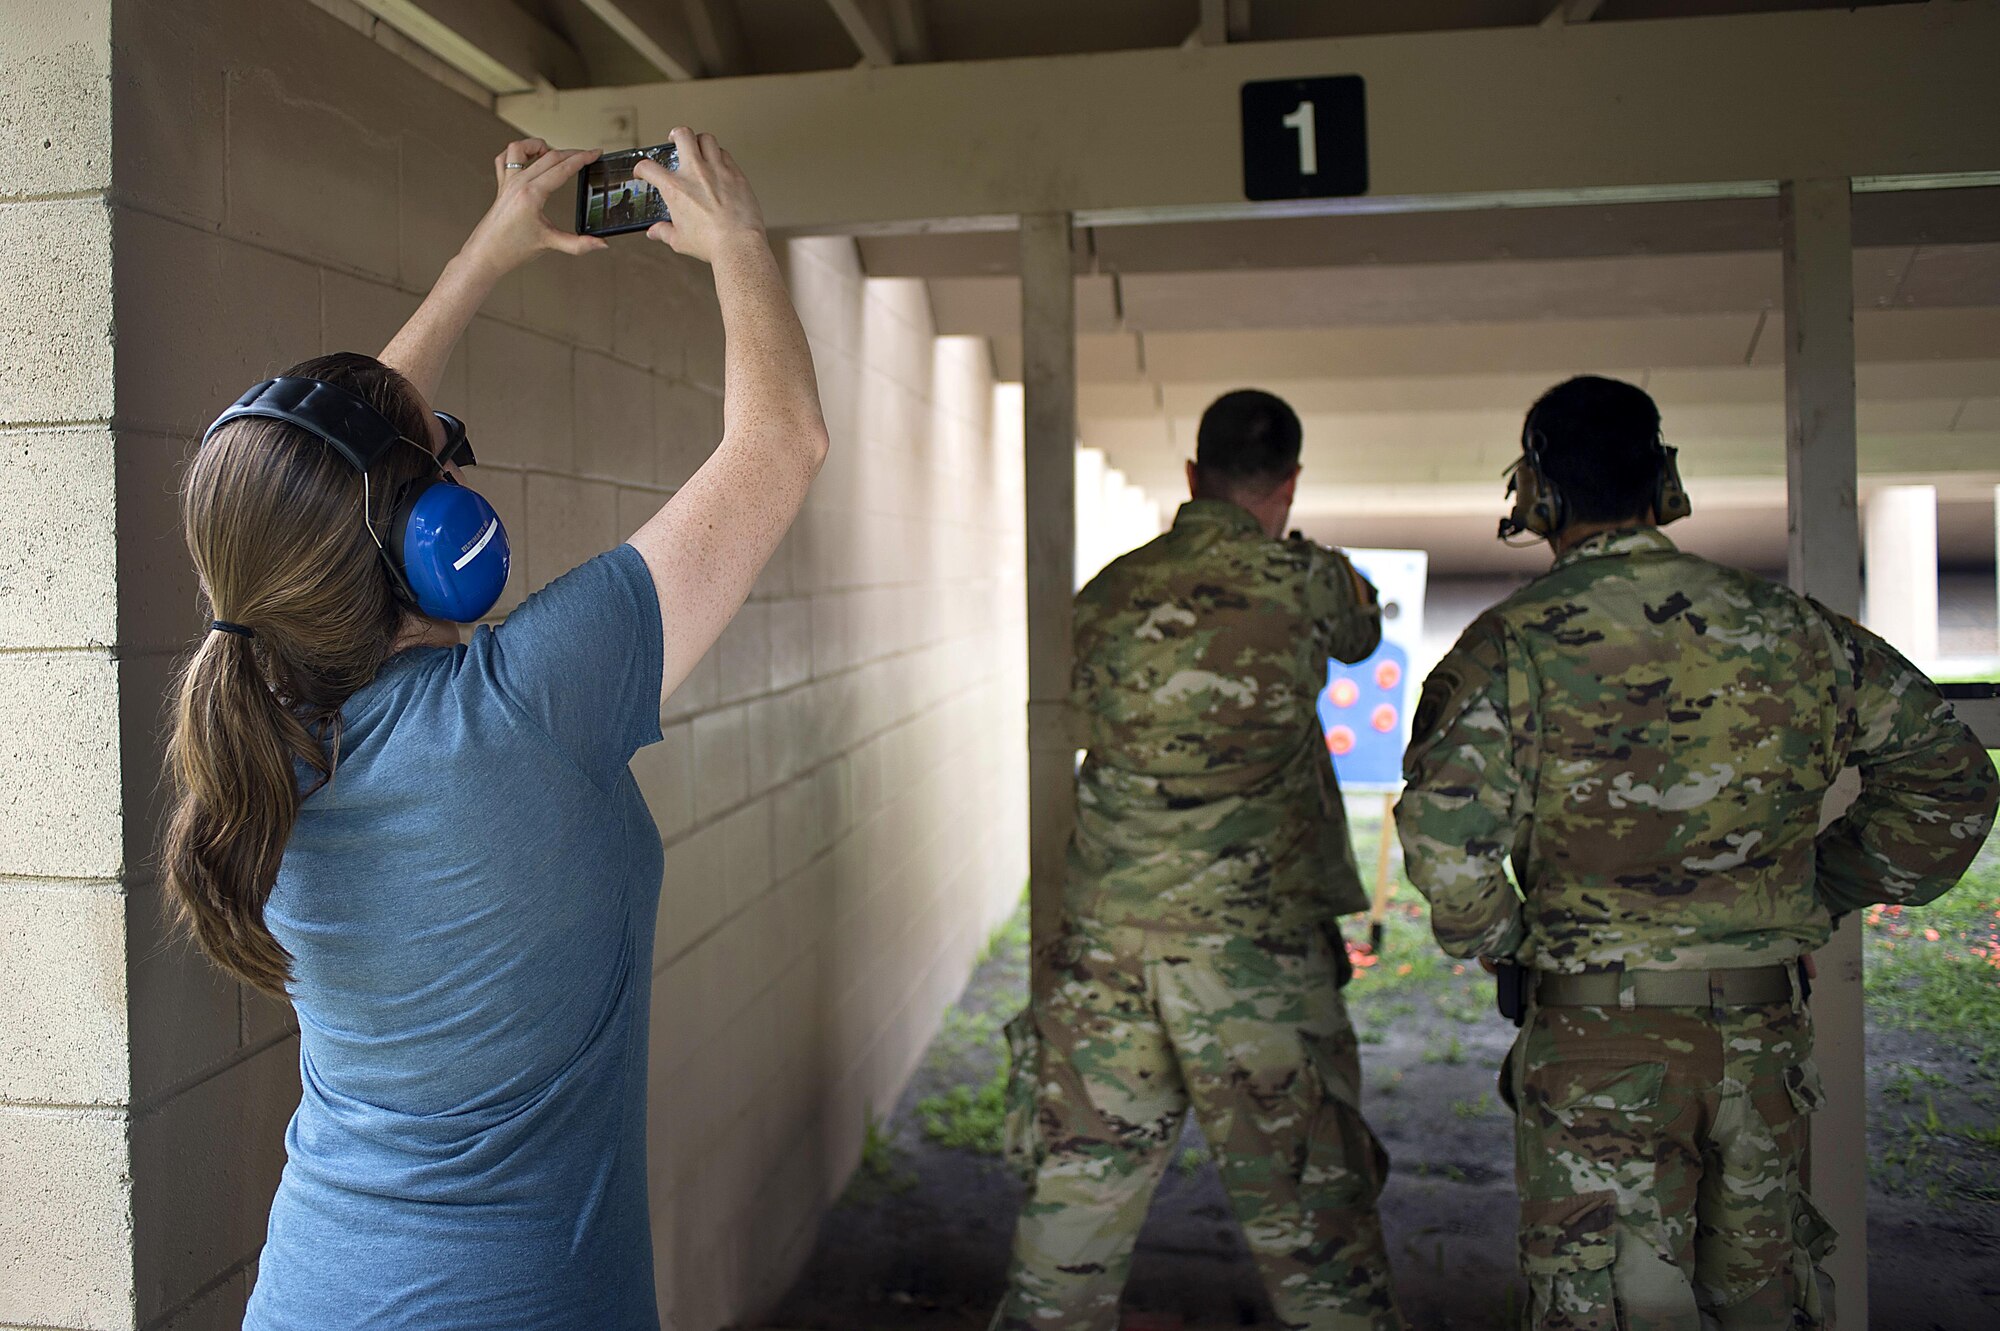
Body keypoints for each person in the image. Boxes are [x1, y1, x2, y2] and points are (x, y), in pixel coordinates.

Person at [160, 130, 827, 1330]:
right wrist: (739, 245)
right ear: (437, 547)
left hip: (311, 1293)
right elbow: (781, 442)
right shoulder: (529, 703)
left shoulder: (249, 701)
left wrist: (494, 248)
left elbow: (312, 482)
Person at [1395, 375, 2000, 1329]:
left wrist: (1511, 940)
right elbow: (1952, 783)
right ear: (1664, 482)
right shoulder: (1795, 628)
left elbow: (1446, 839)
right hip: (1761, 1048)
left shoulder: (1503, 649)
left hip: (1597, 1047)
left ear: (1536, 497)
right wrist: (1824, 886)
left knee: (1601, 1307)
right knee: (1769, 1301)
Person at [994, 390, 1405, 1331]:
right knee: (1318, 1244)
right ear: (1290, 483)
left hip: (1107, 950)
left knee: (1070, 1232)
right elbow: (1363, 634)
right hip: (1254, 957)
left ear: (1192, 476)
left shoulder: (1109, 590)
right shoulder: (1310, 582)